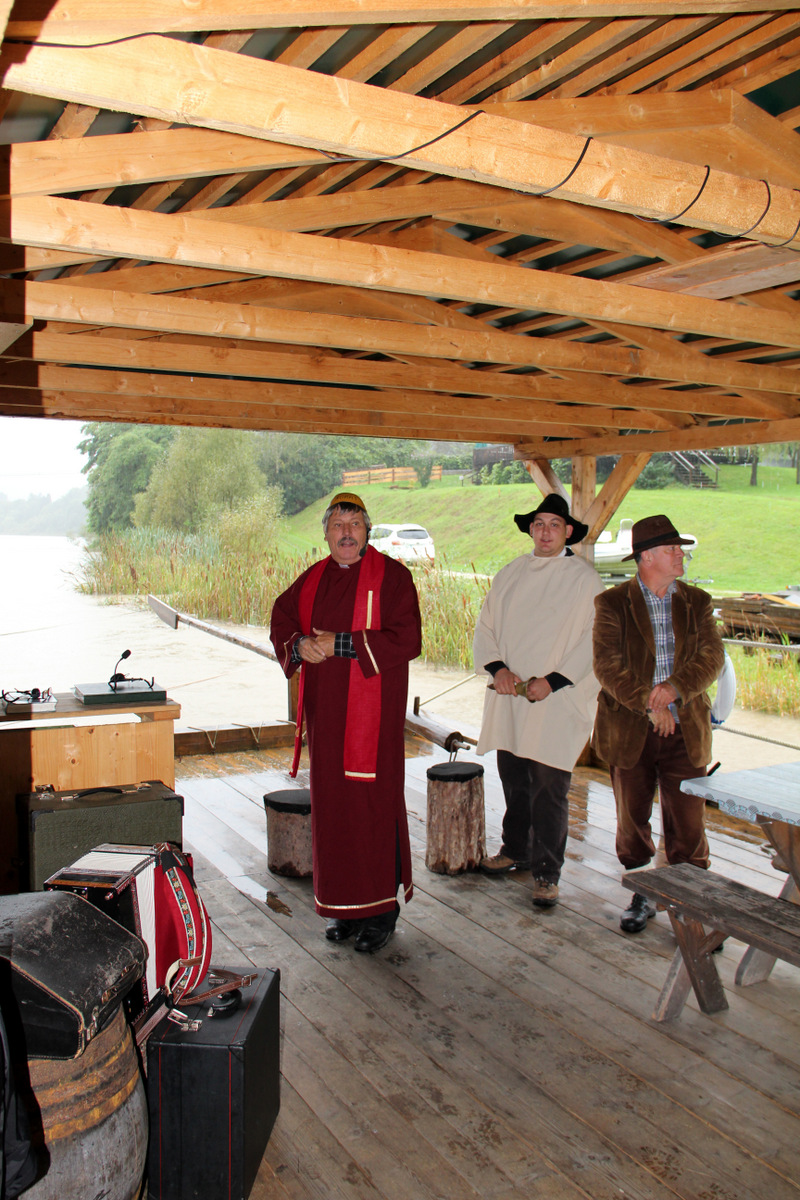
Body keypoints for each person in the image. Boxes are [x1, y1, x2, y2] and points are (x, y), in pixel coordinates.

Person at [270, 492, 421, 953]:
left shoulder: (393, 577)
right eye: (337, 525)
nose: (346, 533)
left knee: (372, 808)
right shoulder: (312, 579)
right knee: (334, 812)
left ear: (368, 531)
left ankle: (380, 912)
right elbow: (281, 618)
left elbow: (407, 637)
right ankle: (345, 908)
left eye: (355, 525)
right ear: (326, 534)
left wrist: (340, 644)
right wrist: (300, 645)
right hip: (327, 722)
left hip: (373, 725)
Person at [592, 514, 725, 933]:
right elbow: (607, 666)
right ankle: (643, 891)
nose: (681, 555)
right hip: (630, 728)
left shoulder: (698, 602)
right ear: (647, 557)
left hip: (686, 729)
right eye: (672, 549)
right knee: (631, 820)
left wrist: (672, 690)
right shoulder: (612, 604)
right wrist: (650, 705)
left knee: (688, 821)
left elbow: (712, 658)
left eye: (679, 549)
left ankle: (691, 904)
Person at [473, 493, 604, 908]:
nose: (546, 532)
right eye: (540, 524)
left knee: (549, 786)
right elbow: (485, 627)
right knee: (513, 775)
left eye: (555, 525)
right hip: (511, 694)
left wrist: (554, 681)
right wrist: (499, 669)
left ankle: (548, 871)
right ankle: (516, 849)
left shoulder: (585, 580)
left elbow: (594, 639)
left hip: (557, 699)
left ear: (568, 532)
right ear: (531, 529)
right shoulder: (510, 573)